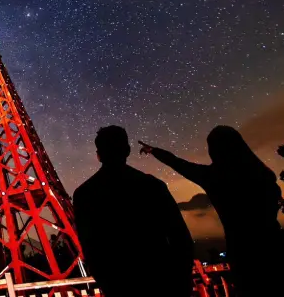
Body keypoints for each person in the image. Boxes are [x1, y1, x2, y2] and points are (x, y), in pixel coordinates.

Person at [140, 125, 284, 297]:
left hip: (245, 256)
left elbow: (179, 164)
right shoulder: (263, 174)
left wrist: (154, 151)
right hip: (279, 251)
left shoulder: (213, 176)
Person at [73, 126, 194, 297]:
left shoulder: (84, 195)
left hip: (119, 286)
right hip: (161, 283)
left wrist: (108, 283)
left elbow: (91, 249)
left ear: (98, 154)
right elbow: (181, 238)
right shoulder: (152, 186)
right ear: (127, 150)